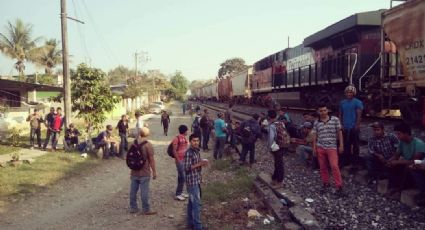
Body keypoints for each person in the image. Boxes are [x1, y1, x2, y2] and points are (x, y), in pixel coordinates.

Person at [312, 104, 345, 196]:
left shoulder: (335, 119)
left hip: (332, 147)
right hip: (320, 147)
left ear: (327, 111)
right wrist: (314, 147)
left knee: (334, 166)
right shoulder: (316, 122)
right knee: (322, 167)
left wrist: (341, 145)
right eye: (321, 111)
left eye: (324, 110)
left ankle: (339, 186)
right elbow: (315, 135)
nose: (323, 112)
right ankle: (326, 183)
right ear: (318, 112)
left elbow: (339, 132)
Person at [386, 123, 425, 198]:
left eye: (399, 134)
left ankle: (400, 191)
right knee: (391, 165)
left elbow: (414, 161)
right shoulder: (402, 142)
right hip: (408, 163)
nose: (397, 136)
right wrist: (390, 161)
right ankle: (393, 187)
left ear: (406, 133)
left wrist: (397, 162)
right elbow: (396, 155)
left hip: (416, 165)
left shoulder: (419, 144)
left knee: (407, 167)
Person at [129, 127, 157, 215]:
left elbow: (130, 157)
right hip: (144, 172)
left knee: (133, 190)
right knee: (144, 191)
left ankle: (133, 208)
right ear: (147, 134)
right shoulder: (148, 144)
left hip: (134, 171)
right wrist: (154, 171)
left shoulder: (133, 143)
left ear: (140, 133)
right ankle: (146, 209)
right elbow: (151, 159)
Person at [184, 134, 208, 230]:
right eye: (194, 141)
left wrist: (202, 163)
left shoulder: (196, 151)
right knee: (197, 204)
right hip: (192, 182)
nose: (196, 142)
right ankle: (198, 227)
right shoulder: (189, 152)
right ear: (190, 141)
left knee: (191, 202)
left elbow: (195, 165)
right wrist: (200, 163)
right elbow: (186, 168)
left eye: (197, 140)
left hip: (196, 180)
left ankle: (190, 223)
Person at [339, 85, 363, 169]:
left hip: (353, 127)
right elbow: (340, 114)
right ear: (345, 93)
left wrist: (357, 125)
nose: (349, 94)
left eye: (351, 92)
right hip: (345, 127)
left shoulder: (358, 102)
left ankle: (355, 162)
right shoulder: (342, 103)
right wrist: (341, 124)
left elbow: (359, 115)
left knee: (355, 145)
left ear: (353, 93)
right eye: (347, 92)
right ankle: (346, 161)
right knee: (346, 144)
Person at [172, 125, 189, 201]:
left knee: (181, 177)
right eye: (187, 130)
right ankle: (178, 194)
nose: (188, 131)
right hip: (180, 160)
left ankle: (180, 192)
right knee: (182, 177)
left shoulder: (184, 137)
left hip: (184, 160)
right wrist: (178, 160)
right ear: (184, 131)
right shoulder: (177, 138)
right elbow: (174, 150)